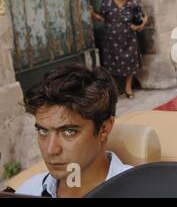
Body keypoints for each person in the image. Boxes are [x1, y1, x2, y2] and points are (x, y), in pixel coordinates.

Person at [15, 64, 132, 198]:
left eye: (69, 132)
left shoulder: (142, 190)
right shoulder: (28, 191)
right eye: (43, 131)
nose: (51, 150)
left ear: (104, 129)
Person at [92, 0, 148, 99]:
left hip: (129, 38)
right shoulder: (107, 0)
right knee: (112, 63)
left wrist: (138, 26)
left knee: (130, 63)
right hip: (111, 39)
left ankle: (128, 88)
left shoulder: (133, 1)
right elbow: (101, 17)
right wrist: (91, 13)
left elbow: (144, 17)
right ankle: (114, 89)